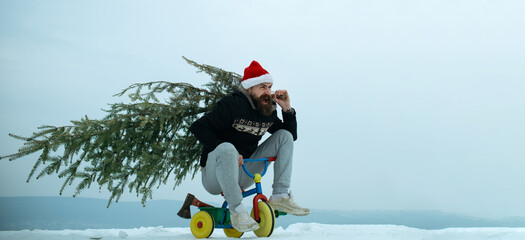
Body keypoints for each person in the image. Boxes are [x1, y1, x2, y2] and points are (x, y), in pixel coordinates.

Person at [190, 60, 310, 232]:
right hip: (214, 176)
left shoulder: (266, 110)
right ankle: (237, 211)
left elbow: (290, 137)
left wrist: (287, 109)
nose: (268, 92)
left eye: (269, 87)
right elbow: (198, 127)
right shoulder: (232, 105)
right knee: (227, 148)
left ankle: (280, 196)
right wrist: (228, 151)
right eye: (262, 87)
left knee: (284, 136)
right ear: (249, 88)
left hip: (244, 171)